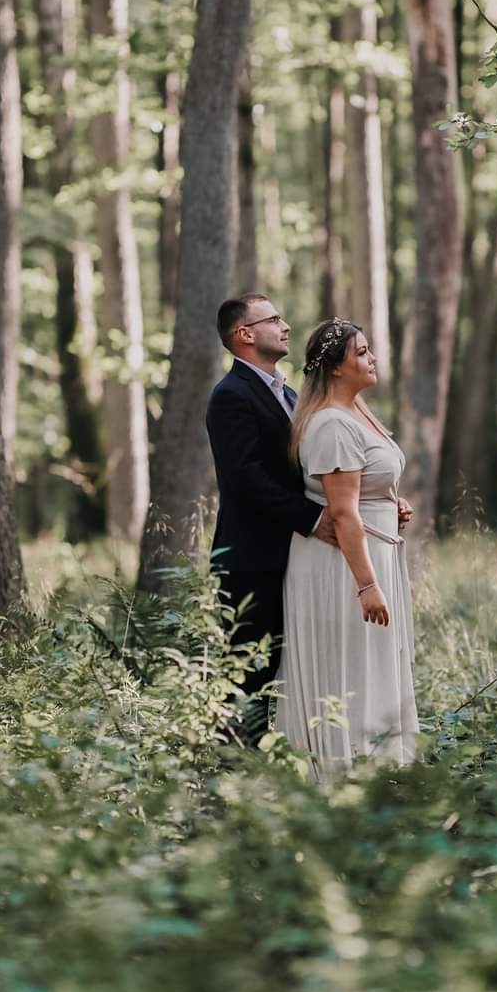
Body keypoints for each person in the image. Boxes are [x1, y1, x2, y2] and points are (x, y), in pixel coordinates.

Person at [277, 317, 417, 777]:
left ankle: (379, 770)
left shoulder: (358, 412)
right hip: (343, 568)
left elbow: (366, 490)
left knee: (374, 664)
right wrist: (367, 587)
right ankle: (343, 774)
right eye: (361, 352)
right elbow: (341, 513)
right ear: (335, 368)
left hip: (372, 553)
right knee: (353, 667)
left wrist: (391, 505)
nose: (372, 358)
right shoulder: (331, 425)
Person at [206, 293, 335, 739]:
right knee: (247, 675)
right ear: (245, 335)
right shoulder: (230, 396)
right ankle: (228, 770)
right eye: (274, 319)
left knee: (288, 668)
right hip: (250, 560)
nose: (286, 326)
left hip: (292, 556)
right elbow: (246, 478)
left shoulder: (289, 392)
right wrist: (315, 519)